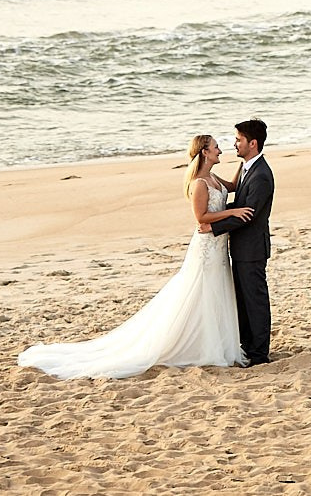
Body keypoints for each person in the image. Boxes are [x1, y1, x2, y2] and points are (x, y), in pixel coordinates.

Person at [18, 134, 253, 379]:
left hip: (218, 247)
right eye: (216, 147)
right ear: (205, 152)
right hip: (206, 248)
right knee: (198, 291)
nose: (221, 150)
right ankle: (193, 344)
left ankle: (210, 341)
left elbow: (234, 187)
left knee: (215, 292)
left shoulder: (214, 178)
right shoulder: (198, 184)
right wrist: (232, 211)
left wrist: (244, 160)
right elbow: (201, 218)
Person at [207, 118, 274, 367]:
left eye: (238, 140)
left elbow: (248, 215)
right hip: (242, 248)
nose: (235, 144)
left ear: (252, 143)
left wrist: (213, 226)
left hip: (252, 248)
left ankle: (259, 354)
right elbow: (239, 206)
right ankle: (248, 347)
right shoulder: (248, 167)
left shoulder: (261, 176)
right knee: (244, 300)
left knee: (255, 301)